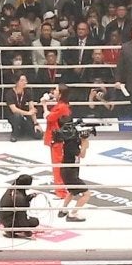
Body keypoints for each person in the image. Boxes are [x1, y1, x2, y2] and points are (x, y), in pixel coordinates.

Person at [46, 90, 86, 220]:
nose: (54, 91)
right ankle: (72, 213)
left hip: (69, 169)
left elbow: (50, 117)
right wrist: (85, 144)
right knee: (86, 193)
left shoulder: (62, 108)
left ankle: (63, 208)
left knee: (72, 190)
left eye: (56, 89)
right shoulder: (71, 142)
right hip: (70, 170)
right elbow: (81, 155)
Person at [0, 172, 37, 238]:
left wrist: (29, 197)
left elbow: (20, 202)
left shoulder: (13, 188)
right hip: (9, 219)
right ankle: (10, 229)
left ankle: (6, 224)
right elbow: (22, 216)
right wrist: (27, 231)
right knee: (35, 221)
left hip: (1, 215)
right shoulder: (19, 197)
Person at [5, 75, 39, 140]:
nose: (25, 82)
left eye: (25, 80)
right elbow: (14, 110)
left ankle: (23, 130)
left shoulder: (28, 92)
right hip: (13, 116)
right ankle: (14, 133)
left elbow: (32, 108)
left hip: (25, 115)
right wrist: (28, 113)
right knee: (17, 116)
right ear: (16, 82)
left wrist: (36, 124)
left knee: (38, 135)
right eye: (22, 80)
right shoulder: (9, 93)